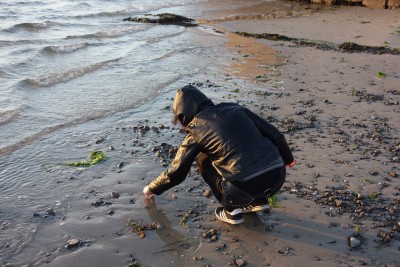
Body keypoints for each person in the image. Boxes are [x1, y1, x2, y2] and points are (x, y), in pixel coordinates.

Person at [143, 85, 295, 225]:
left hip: (246, 186)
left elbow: (177, 171)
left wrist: (153, 188)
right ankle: (258, 201)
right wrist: (288, 159)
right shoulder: (235, 108)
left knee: (202, 158)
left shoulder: (196, 130)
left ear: (183, 114)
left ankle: (232, 211)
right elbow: (275, 135)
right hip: (277, 176)